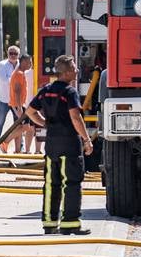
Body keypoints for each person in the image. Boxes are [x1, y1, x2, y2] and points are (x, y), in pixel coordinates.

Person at [25, 55, 93, 235]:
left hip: (51, 144)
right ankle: (70, 224)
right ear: (67, 72)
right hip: (69, 144)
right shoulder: (70, 92)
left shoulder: (45, 90)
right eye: (74, 67)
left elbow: (30, 112)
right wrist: (86, 139)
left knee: (50, 183)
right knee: (71, 183)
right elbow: (75, 118)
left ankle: (49, 223)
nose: (77, 70)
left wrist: (46, 123)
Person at [0, 45, 20, 145]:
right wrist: (17, 80)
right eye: (10, 53)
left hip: (17, 101)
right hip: (4, 100)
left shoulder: (21, 65)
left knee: (19, 124)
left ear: (18, 55)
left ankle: (20, 146)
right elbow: (3, 80)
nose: (12, 55)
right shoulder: (2, 64)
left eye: (15, 53)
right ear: (7, 54)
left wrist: (11, 79)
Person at [8, 53, 35, 153]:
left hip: (18, 104)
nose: (31, 64)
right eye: (29, 62)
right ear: (23, 62)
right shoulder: (19, 74)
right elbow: (17, 91)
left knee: (19, 127)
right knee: (27, 127)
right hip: (17, 104)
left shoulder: (20, 73)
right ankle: (5, 141)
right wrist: (19, 108)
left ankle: (17, 150)